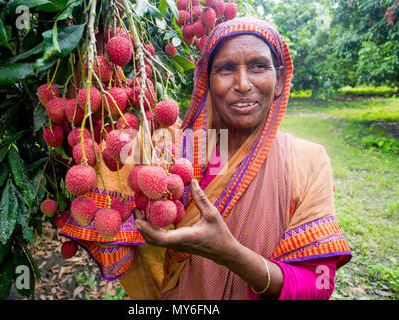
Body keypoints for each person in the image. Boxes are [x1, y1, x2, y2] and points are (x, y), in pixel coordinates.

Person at [60, 16, 351, 300]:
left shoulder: (308, 161)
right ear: (207, 83)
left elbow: (319, 283)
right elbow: (89, 134)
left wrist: (230, 253)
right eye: (225, 69)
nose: (242, 83)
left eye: (258, 66)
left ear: (278, 82)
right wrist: (96, 31)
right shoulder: (170, 149)